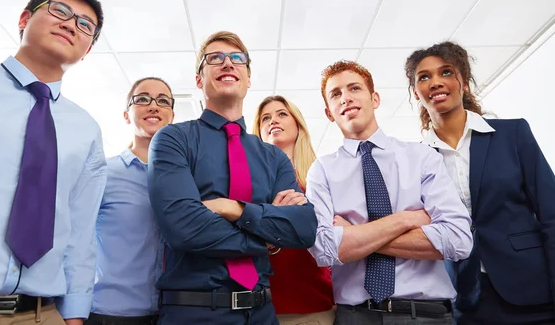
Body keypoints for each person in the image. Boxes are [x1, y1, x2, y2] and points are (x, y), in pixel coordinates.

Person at [0, 0, 106, 325]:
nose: (71, 24)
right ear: (24, 18)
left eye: (85, 24)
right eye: (60, 11)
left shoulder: (86, 129)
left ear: (86, 52)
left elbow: (81, 234)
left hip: (41, 314)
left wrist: (75, 315)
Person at [148, 31, 317, 325]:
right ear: (199, 80)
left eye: (237, 58)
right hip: (195, 313)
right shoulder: (172, 139)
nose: (227, 63)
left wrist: (233, 208)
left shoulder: (273, 156)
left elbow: (304, 228)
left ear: (248, 78)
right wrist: (267, 238)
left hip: (263, 313)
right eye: (215, 58)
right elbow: (184, 228)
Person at [306, 60, 473, 325]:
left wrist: (354, 235)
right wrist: (406, 220)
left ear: (375, 98)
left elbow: (458, 239)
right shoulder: (322, 170)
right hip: (356, 317)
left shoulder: (421, 157)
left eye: (354, 89)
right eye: (336, 94)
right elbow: (324, 249)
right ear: (329, 113)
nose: (346, 98)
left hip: (426, 315)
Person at [405, 41, 555, 325]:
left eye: (446, 72)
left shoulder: (513, 134)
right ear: (416, 93)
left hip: (534, 290)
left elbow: (551, 214)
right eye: (424, 77)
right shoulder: (417, 160)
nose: (435, 82)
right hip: (466, 300)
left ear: (464, 82)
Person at [86, 77, 175, 325]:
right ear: (127, 115)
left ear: (172, 115)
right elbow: (75, 242)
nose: (153, 106)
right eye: (143, 99)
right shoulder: (103, 172)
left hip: (172, 313)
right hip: (110, 314)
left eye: (163, 101)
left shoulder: (187, 179)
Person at [252, 95, 335, 325]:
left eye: (281, 114)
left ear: (297, 124)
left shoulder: (321, 178)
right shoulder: (249, 185)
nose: (272, 121)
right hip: (259, 306)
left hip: (311, 304)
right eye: (265, 118)